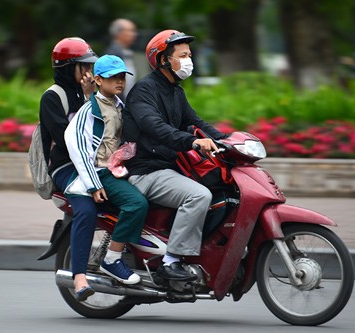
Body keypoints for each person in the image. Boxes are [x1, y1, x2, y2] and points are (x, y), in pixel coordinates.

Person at [122, 30, 227, 281]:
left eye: (189, 54)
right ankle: (171, 262)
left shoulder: (175, 91)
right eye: (182, 55)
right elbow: (155, 128)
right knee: (198, 195)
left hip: (168, 168)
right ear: (163, 60)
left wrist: (227, 140)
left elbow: (196, 121)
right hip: (147, 171)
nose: (189, 60)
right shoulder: (144, 91)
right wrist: (192, 141)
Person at [64, 54, 148, 287]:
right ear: (99, 80)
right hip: (101, 172)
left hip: (118, 170)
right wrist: (93, 183)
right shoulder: (89, 111)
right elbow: (77, 146)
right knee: (136, 204)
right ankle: (112, 259)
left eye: (122, 77)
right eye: (113, 78)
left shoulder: (120, 106)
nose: (119, 82)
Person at [39, 37, 98, 302]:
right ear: (66, 68)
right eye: (83, 66)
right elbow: (69, 141)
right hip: (66, 168)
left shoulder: (85, 92)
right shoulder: (53, 97)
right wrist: (88, 99)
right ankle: (80, 277)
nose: (89, 72)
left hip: (92, 164)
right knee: (86, 208)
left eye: (90, 66)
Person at [105, 18, 138, 99]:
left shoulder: (127, 52)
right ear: (119, 33)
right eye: (131, 31)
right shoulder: (112, 54)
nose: (135, 34)